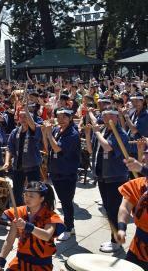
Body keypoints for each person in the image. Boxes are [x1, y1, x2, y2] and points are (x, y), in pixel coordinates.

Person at [85, 106, 129, 252]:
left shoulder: (120, 134)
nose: (108, 119)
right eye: (105, 116)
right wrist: (90, 129)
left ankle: (116, 241)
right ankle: (114, 238)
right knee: (108, 209)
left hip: (115, 177)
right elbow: (92, 149)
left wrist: (96, 132)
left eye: (111, 116)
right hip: (103, 176)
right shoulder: (103, 131)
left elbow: (108, 147)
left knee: (114, 209)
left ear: (117, 118)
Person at [0, 181, 65, 271]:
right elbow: (9, 240)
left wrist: (27, 226)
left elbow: (47, 236)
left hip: (41, 265)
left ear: (41, 199)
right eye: (26, 195)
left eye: (31, 196)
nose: (27, 198)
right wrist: (0, 263)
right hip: (20, 262)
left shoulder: (50, 215)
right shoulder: (18, 213)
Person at [41, 107, 80, 241]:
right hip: (56, 170)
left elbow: (57, 148)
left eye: (64, 117)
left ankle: (69, 228)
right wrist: (45, 134)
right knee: (63, 200)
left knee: (66, 202)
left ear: (70, 118)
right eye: (59, 117)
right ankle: (70, 227)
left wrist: (49, 133)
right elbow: (48, 148)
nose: (61, 120)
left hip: (67, 173)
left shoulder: (72, 134)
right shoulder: (57, 130)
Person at [116, 146, 148, 270]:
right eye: (145, 154)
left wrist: (141, 168)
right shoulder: (138, 184)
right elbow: (125, 207)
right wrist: (121, 228)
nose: (145, 157)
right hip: (138, 246)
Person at [5, 104, 43, 205]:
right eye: (21, 116)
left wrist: (26, 109)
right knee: (17, 191)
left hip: (32, 165)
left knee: (34, 191)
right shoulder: (15, 131)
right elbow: (9, 147)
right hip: (18, 166)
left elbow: (33, 125)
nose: (23, 118)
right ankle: (20, 211)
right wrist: (6, 161)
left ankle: (35, 211)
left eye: (25, 116)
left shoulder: (35, 129)